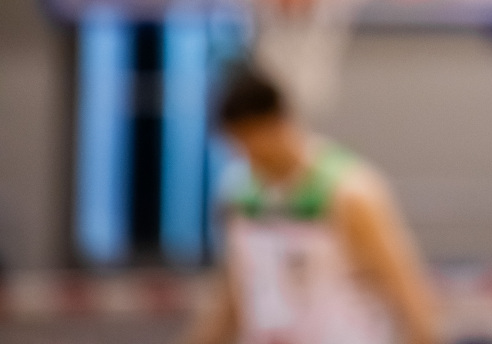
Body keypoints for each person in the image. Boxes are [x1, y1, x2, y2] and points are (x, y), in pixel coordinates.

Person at [180, 62, 438, 344]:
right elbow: (235, 292)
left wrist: (423, 334)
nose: (244, 153)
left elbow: (410, 295)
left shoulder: (350, 193)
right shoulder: (239, 193)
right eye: (236, 143)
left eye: (249, 140)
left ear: (278, 122)